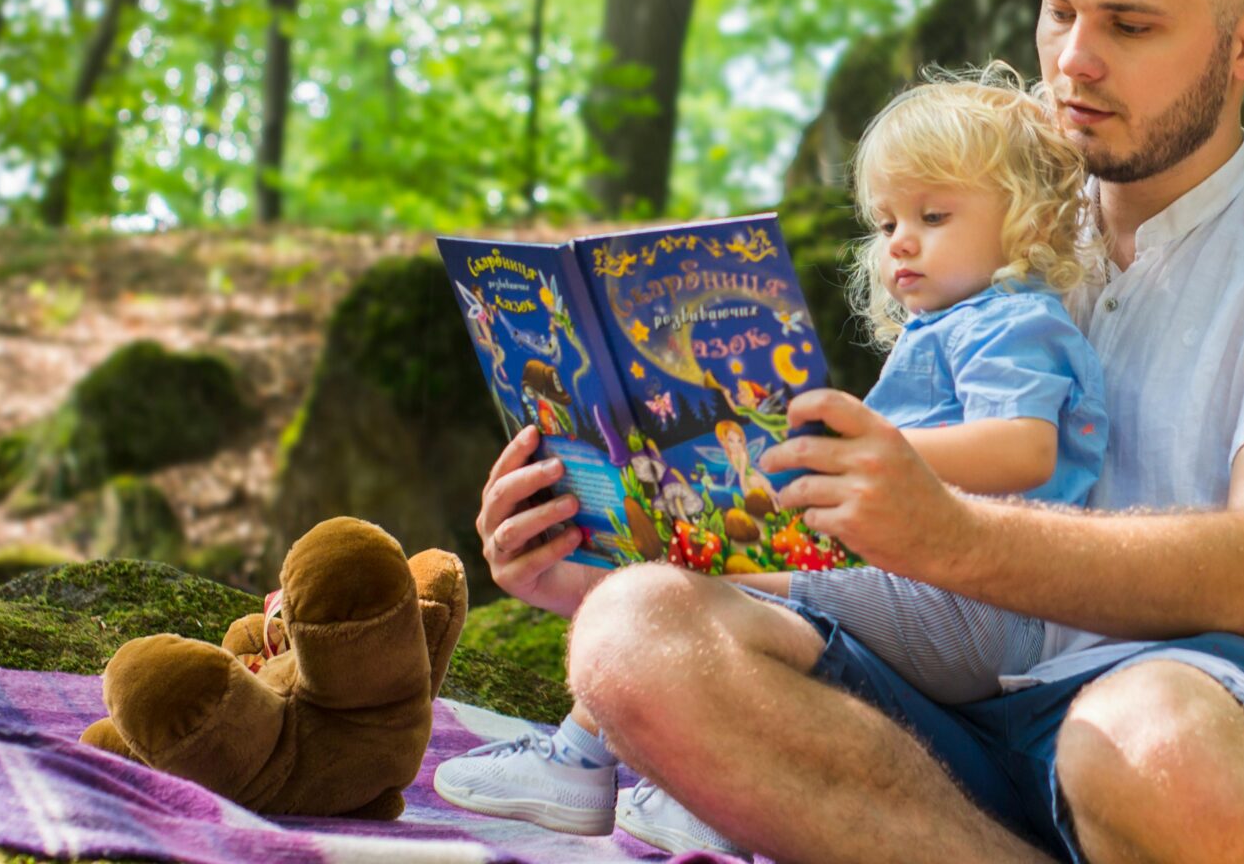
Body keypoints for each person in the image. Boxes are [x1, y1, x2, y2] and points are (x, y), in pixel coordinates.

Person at [478, 0, 1244, 864]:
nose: (1073, 58)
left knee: (1140, 734)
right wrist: (597, 537)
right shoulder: (977, 226)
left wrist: (942, 532)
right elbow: (853, 521)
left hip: (1201, 711)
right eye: (1058, 9)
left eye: (1130, 24)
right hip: (944, 712)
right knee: (632, 627)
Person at [437, 69, 1110, 843]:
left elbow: (1024, 449)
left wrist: (868, 452)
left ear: (1029, 219)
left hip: (974, 608)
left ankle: (591, 765)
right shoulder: (954, 327)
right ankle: (669, 786)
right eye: (886, 223)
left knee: (700, 585)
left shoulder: (1015, 320)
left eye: (933, 214)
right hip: (925, 590)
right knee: (690, 573)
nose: (902, 243)